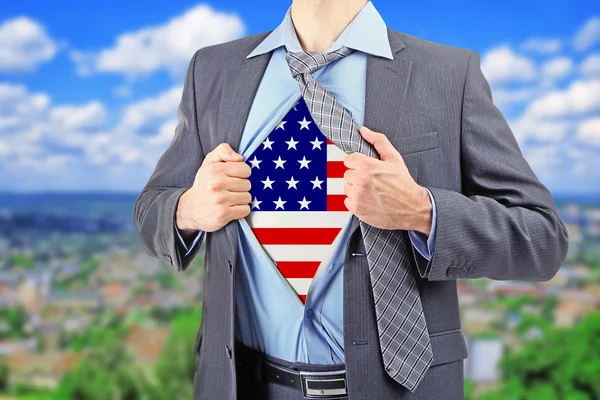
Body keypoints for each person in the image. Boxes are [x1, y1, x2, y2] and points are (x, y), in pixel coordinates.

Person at [133, 0, 570, 399]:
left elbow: (543, 239)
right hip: (241, 385)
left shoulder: (449, 75)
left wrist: (422, 210)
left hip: (398, 388)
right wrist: (189, 208)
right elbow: (151, 210)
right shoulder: (213, 70)